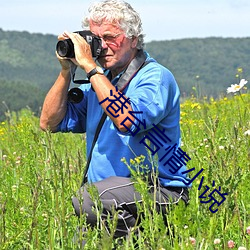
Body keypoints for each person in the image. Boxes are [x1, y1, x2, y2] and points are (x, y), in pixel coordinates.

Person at [40, 0, 190, 244]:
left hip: (160, 190)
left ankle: (146, 241)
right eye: (95, 39)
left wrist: (90, 67)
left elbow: (128, 120)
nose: (102, 47)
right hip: (112, 199)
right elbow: (49, 123)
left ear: (133, 39)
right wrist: (66, 70)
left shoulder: (154, 77)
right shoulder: (100, 82)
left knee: (88, 199)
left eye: (110, 37)